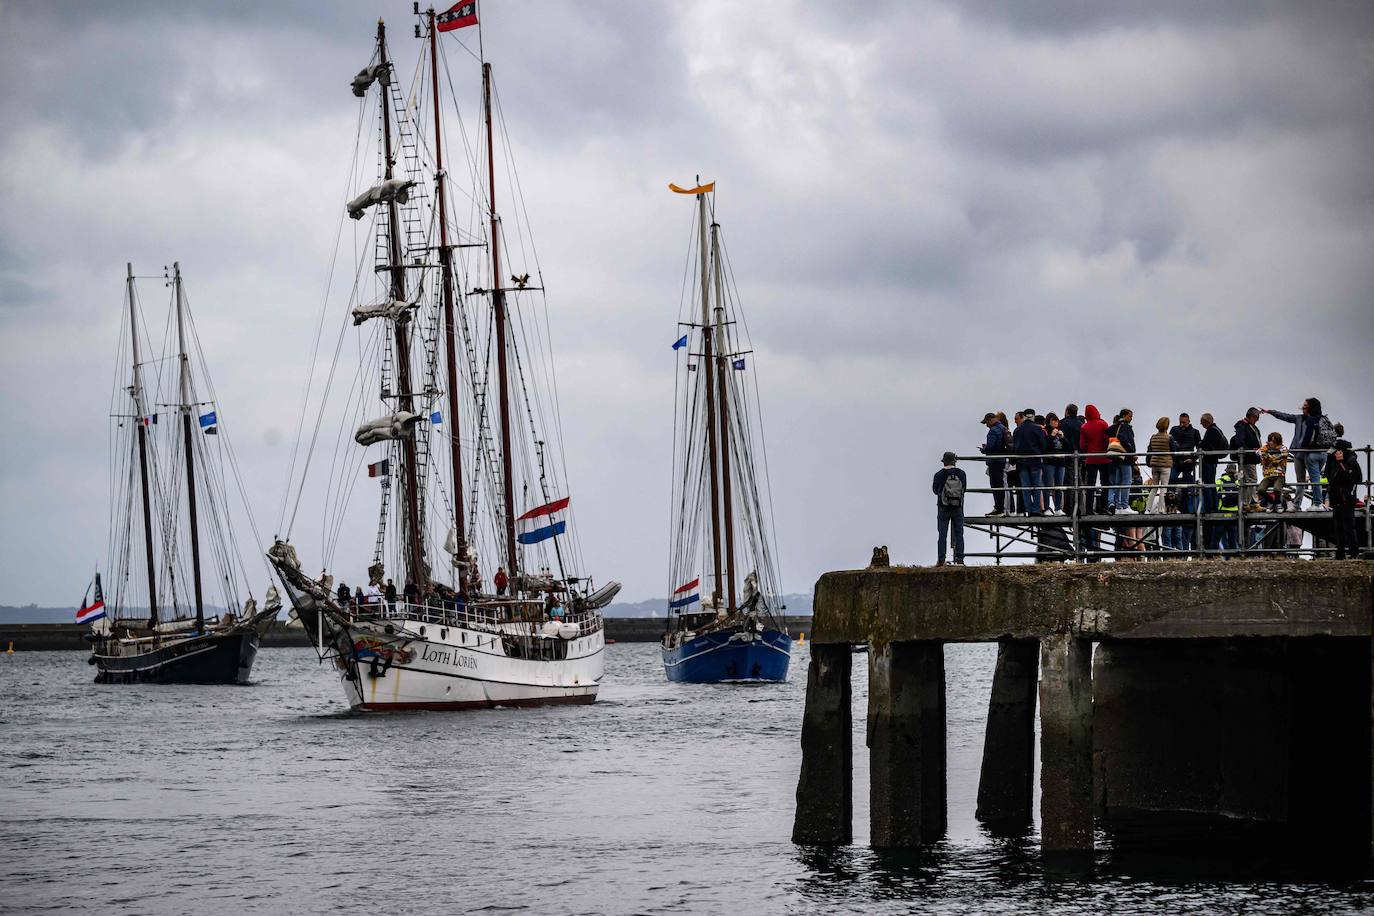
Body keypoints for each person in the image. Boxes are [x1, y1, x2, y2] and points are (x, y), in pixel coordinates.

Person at [1264, 398, 1333, 510]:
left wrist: (1304, 445)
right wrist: (1270, 411)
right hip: (1300, 454)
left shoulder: (1316, 420)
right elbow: (1285, 416)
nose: (1303, 408)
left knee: (1314, 480)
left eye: (1305, 406)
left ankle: (1317, 503)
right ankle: (1297, 505)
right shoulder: (1299, 418)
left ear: (1310, 407)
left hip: (1310, 453)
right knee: (1301, 481)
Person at [1325, 440, 1363, 559]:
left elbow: (1351, 477)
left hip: (1347, 498)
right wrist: (1330, 460)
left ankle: (1354, 553)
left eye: (1335, 451)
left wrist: (1341, 462)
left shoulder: (1351, 461)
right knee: (1338, 527)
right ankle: (1340, 553)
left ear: (1341, 451)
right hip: (1336, 498)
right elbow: (1327, 474)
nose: (1333, 453)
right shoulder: (1332, 460)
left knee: (1349, 527)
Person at [1169, 413, 1201, 551]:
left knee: (1189, 486)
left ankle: (1188, 507)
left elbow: (1199, 448)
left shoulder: (1195, 432)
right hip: (1176, 461)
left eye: (1184, 422)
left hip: (1188, 462)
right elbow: (1169, 445)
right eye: (1180, 422)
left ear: (1189, 421)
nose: (1182, 424)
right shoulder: (1174, 430)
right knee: (1172, 483)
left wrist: (1193, 459)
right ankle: (1171, 506)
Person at [932, 451, 967, 566]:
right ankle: (960, 559)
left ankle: (941, 560)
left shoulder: (939, 474)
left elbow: (935, 490)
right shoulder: (961, 473)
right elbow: (964, 489)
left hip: (943, 507)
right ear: (954, 462)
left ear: (944, 462)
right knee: (959, 534)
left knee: (942, 535)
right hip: (958, 507)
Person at [1012, 413, 1046, 516]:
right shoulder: (1037, 429)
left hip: (1021, 462)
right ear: (1033, 418)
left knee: (1025, 487)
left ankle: (1028, 510)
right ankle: (1036, 509)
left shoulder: (1017, 430)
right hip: (1035, 461)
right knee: (1036, 485)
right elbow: (1043, 445)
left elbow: (1015, 447)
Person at [1079, 404, 1110, 515]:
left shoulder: (1084, 427)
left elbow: (1082, 445)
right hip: (1104, 458)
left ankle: (1089, 509)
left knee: (1090, 484)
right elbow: (1107, 440)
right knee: (1105, 483)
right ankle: (1103, 507)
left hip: (1091, 458)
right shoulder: (1103, 424)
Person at [1231, 408, 1262, 508]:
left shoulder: (1251, 427)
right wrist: (1250, 451)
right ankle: (1250, 503)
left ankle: (1247, 503)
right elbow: (1240, 442)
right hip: (1247, 458)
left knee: (1247, 480)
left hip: (1250, 458)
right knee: (1251, 480)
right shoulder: (1242, 425)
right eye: (1256, 417)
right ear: (1252, 416)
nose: (1257, 420)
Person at [980, 412, 1008, 517]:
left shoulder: (993, 431)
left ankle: (999, 508)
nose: (986, 425)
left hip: (994, 461)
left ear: (991, 420)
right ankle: (1001, 508)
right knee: (1000, 485)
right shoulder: (1003, 428)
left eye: (986, 422)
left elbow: (991, 447)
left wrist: (983, 449)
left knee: (996, 485)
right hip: (1001, 460)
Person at [1256, 432, 1291, 511]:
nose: (1271, 442)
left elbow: (1281, 456)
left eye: (1273, 441)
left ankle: (1278, 503)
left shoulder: (1283, 448)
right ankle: (1271, 501)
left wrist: (1268, 456)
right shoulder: (1264, 448)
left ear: (1278, 442)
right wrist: (1265, 454)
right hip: (1268, 476)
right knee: (1260, 490)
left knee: (1277, 489)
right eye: (1270, 440)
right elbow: (1259, 453)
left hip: (1279, 476)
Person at [1146, 417, 1173, 514]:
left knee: (1154, 488)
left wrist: (1148, 462)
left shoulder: (1153, 437)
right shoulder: (1169, 437)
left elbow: (1149, 450)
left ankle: (1147, 509)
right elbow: (1173, 452)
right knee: (1163, 488)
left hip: (1155, 464)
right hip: (1165, 465)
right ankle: (1161, 510)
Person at [1061, 404, 1084, 511]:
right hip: (1078, 455)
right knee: (1078, 482)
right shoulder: (1081, 424)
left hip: (1067, 455)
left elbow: (1062, 440)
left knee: (1068, 482)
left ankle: (1068, 506)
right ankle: (1078, 506)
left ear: (1067, 411)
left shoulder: (1063, 423)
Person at [1043, 413, 1067, 514]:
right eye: (1053, 420)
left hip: (1061, 462)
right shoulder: (1045, 432)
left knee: (1059, 486)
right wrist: (1052, 436)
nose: (1056, 422)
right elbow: (1044, 447)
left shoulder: (1060, 432)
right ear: (1049, 421)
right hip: (1049, 462)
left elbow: (1068, 447)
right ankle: (1047, 507)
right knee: (1048, 485)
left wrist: (1063, 438)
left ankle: (1058, 508)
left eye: (1057, 420)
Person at [1006, 411, 1023, 515]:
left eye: (1016, 418)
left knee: (1013, 487)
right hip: (1018, 464)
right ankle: (1020, 510)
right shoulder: (1016, 431)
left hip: (1016, 464)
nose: (1015, 421)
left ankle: (1013, 510)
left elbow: (1015, 447)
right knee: (1020, 488)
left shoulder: (1017, 431)